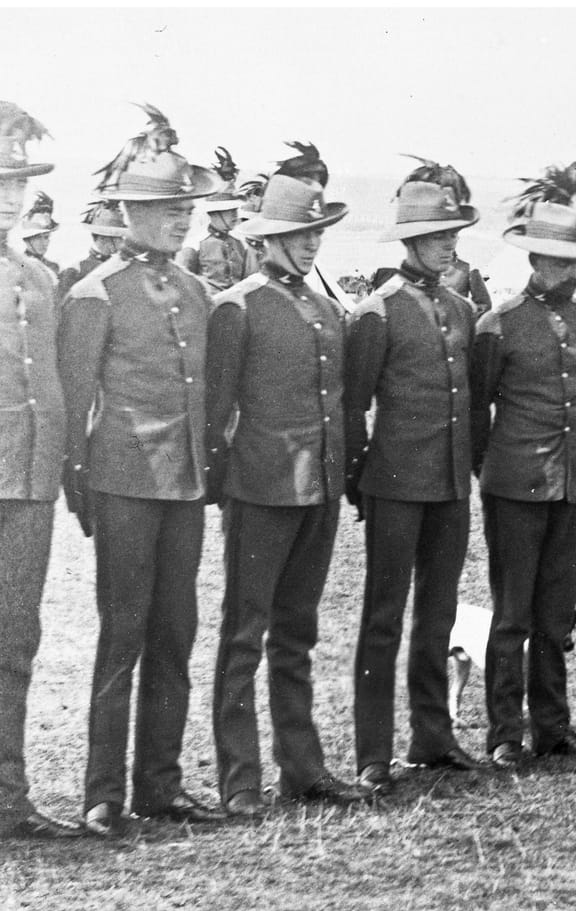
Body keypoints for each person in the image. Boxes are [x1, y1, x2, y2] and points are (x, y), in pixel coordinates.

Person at [59, 104, 229, 835]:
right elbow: (74, 403)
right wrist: (82, 487)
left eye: (186, 208)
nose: (180, 221)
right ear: (127, 210)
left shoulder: (196, 292)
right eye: (165, 209)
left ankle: (159, 782)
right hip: (123, 485)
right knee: (121, 634)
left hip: (183, 488)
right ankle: (103, 792)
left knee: (176, 631)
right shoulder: (95, 292)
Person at [204, 149, 368, 816]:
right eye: (300, 234)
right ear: (268, 237)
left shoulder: (329, 311)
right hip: (259, 490)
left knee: (298, 632)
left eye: (317, 233)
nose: (310, 244)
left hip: (317, 491)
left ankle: (303, 768)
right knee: (244, 633)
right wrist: (226, 490)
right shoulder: (237, 308)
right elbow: (215, 414)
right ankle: (240, 778)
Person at [345, 154, 487, 793]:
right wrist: (362, 484)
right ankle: (373, 752)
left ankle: (432, 735)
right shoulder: (375, 313)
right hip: (395, 488)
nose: (448, 246)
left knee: (438, 618)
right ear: (409, 241)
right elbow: (353, 409)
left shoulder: (460, 310)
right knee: (383, 617)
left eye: (454, 235)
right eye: (437, 236)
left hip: (450, 487)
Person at [470, 163, 576, 766]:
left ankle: (553, 724)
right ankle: (505, 731)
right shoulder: (497, 326)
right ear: (533, 260)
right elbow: (478, 414)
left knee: (556, 614)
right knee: (512, 616)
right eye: (558, 259)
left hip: (573, 487)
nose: (571, 270)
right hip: (514, 486)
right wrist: (497, 475)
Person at [0, 101, 81, 839]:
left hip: (27, 479)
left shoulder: (39, 274)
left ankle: (9, 797)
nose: (8, 199)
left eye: (17, 184)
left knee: (16, 634)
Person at [186, 147, 250, 294]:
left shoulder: (239, 245)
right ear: (214, 213)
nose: (235, 215)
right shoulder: (195, 246)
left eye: (235, 210)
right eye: (230, 211)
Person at [58, 201, 126, 300]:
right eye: (118, 237)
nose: (122, 242)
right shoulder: (75, 270)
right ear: (104, 238)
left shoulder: (121, 268)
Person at [17, 190, 55, 279]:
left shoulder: (54, 268)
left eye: (46, 237)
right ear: (27, 239)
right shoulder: (17, 266)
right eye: (38, 238)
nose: (43, 243)